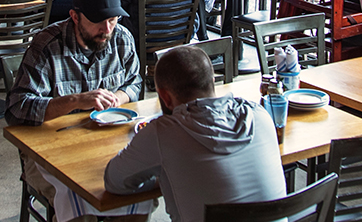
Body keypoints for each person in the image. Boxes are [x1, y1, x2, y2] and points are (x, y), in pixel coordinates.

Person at [5, 0, 148, 222]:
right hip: (48, 151)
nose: (107, 30)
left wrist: (118, 97)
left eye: (112, 20)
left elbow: (135, 82)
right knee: (79, 202)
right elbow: (17, 110)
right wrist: (75, 101)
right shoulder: (47, 46)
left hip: (105, 144)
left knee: (137, 193)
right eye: (98, 22)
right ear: (74, 16)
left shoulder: (121, 38)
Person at [104, 45, 286, 222]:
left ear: (164, 96)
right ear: (213, 82)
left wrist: (163, 175)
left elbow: (115, 182)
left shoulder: (162, 134)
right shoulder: (260, 114)